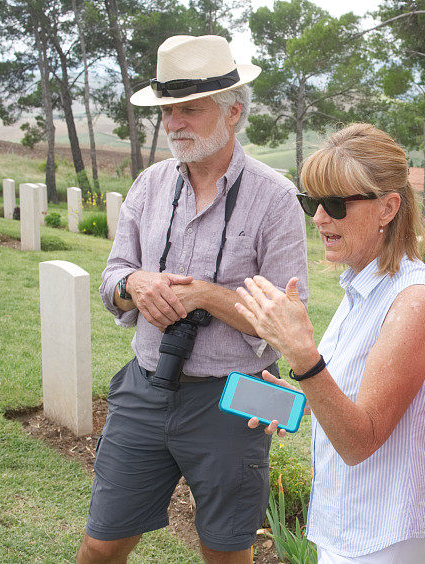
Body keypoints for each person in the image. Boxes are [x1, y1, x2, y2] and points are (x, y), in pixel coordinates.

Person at [76, 35, 308, 564]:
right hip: (146, 386)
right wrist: (134, 285)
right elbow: (111, 276)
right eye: (168, 111)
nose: (175, 123)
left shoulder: (274, 199)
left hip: (233, 401)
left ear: (233, 113)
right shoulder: (150, 185)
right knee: (102, 541)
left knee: (225, 551)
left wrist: (205, 295)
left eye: (191, 110)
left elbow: (288, 319)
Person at [234, 123, 425, 563]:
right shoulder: (363, 289)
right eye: (311, 202)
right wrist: (299, 398)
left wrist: (302, 356)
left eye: (335, 204)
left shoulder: (414, 302)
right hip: (349, 520)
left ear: (387, 208)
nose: (319, 217)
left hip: (381, 532)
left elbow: (362, 439)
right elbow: (350, 400)